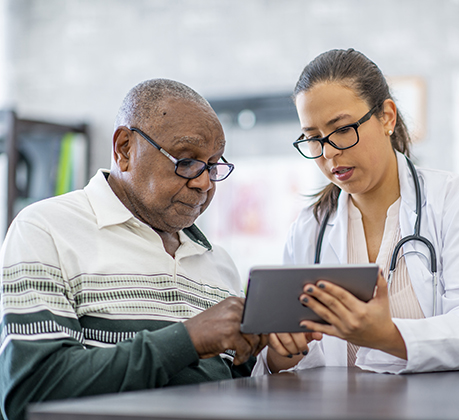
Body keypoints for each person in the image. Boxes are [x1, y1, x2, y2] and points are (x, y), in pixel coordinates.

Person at [0, 79, 265, 420]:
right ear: (125, 148)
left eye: (213, 165)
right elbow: (29, 393)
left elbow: (227, 387)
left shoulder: (218, 262)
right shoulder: (45, 230)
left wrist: (268, 359)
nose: (204, 182)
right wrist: (188, 339)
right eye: (186, 161)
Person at [254, 48, 459, 375]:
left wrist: (388, 337)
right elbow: (295, 362)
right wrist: (282, 352)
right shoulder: (310, 228)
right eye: (313, 138)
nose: (330, 154)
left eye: (342, 130)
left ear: (387, 117)